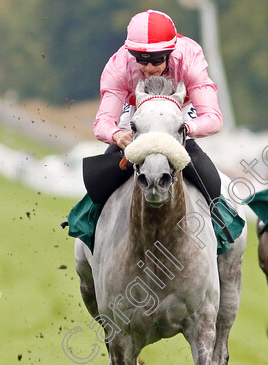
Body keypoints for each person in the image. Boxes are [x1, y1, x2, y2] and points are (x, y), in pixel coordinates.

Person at [91, 9, 225, 215]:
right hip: (138, 109)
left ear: (170, 52)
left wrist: (184, 128)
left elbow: (213, 118)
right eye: (141, 60)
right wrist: (117, 135)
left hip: (180, 108)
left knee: (208, 176)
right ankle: (88, 223)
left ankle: (221, 222)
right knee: (101, 175)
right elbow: (102, 123)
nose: (148, 68)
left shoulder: (190, 60)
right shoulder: (118, 66)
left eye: (156, 61)